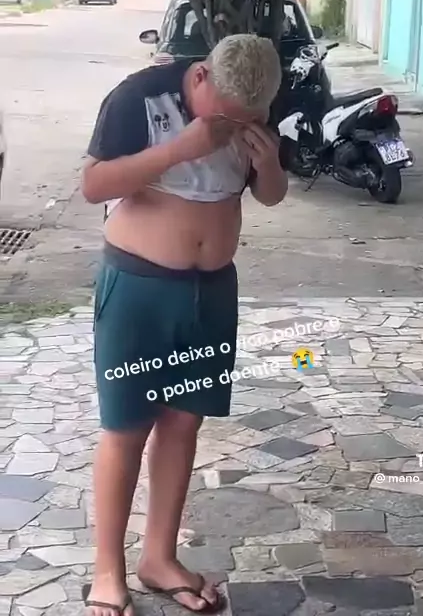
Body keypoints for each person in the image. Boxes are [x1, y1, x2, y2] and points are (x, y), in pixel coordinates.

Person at [81, 34, 288, 616]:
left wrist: (268, 162)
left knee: (182, 423)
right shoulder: (139, 98)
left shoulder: (253, 111)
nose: (233, 127)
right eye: (225, 116)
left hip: (211, 293)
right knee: (126, 428)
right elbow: (93, 186)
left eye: (246, 119)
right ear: (200, 78)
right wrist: (181, 148)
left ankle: (159, 557)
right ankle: (107, 573)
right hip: (139, 289)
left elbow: (271, 196)